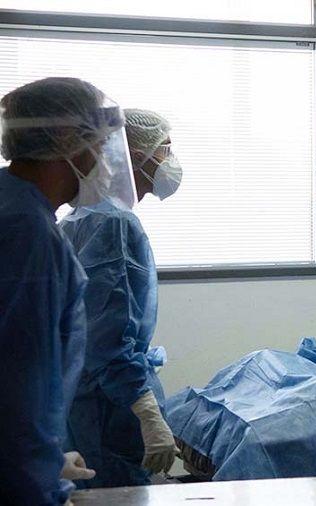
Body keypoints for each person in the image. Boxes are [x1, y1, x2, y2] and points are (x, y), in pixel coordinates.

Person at [0, 77, 136, 505]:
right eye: (100, 143)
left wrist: (47, 459)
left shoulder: (12, 205)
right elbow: (19, 377)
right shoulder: (28, 233)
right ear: (66, 141)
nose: (105, 159)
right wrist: (35, 480)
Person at [60, 109, 181, 488]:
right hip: (108, 406)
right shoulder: (113, 223)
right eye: (165, 149)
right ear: (136, 156)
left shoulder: (78, 218)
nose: (170, 160)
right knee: (116, 491)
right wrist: (146, 410)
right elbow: (107, 338)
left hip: (88, 397)